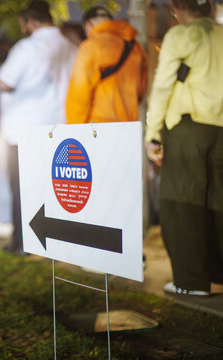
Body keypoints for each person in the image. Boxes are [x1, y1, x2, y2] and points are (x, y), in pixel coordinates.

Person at [145, 0, 223, 296]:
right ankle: (219, 273)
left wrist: (153, 133)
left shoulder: (180, 35)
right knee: (218, 202)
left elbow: (163, 85)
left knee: (182, 202)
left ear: (177, 7)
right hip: (220, 128)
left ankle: (190, 282)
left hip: (187, 126)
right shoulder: (221, 34)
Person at [0, 1, 77, 254]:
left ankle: (23, 243)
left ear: (30, 22)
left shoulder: (27, 47)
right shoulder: (70, 46)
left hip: (25, 131)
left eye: (22, 24)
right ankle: (54, 242)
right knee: (54, 189)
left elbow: (5, 83)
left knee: (23, 190)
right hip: (60, 128)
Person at [66, 6, 147, 124]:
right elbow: (141, 91)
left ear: (88, 25)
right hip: (128, 126)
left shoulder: (91, 46)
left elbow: (79, 92)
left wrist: (74, 128)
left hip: (97, 128)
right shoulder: (136, 48)